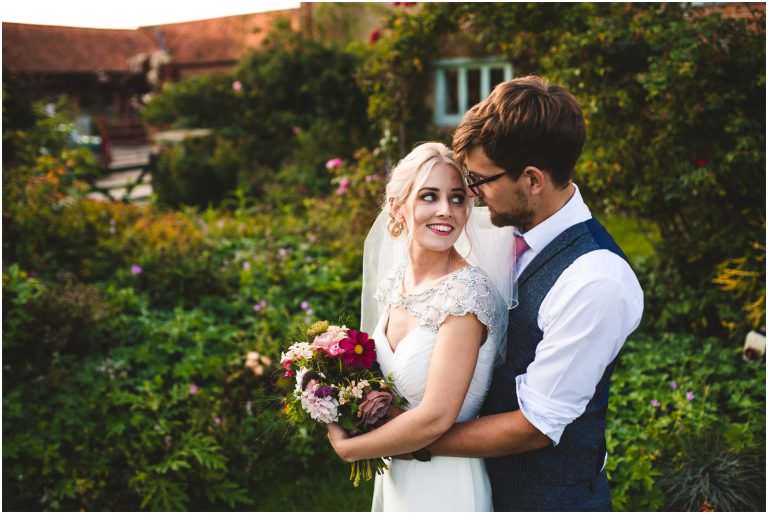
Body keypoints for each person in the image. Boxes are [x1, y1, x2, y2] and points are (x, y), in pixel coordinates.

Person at [418, 75, 645, 511]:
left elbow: (534, 427)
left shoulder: (596, 280)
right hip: (469, 489)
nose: (471, 193)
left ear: (533, 180)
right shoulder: (498, 228)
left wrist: (412, 439)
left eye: (480, 179)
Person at [326, 142, 509, 511]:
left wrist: (351, 449)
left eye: (457, 198)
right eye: (430, 196)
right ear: (398, 206)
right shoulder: (396, 281)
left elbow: (436, 417)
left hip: (449, 484)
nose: (446, 210)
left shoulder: (466, 295)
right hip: (398, 477)